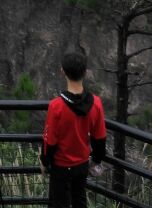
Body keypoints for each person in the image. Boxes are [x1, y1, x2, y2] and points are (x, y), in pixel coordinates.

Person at [41, 50, 107, 208]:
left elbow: (50, 141)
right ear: (85, 72)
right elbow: (100, 138)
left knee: (59, 204)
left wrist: (45, 161)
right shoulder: (96, 103)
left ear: (62, 71)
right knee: (79, 202)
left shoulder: (56, 106)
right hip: (82, 165)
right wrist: (96, 160)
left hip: (61, 167)